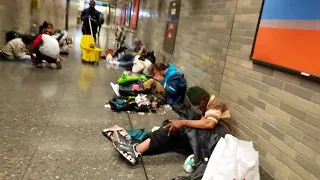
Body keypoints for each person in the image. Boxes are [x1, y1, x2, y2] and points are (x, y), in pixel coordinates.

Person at [113, 86, 232, 165]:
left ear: (204, 99)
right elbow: (202, 123)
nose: (197, 107)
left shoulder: (216, 103)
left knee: (174, 129)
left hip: (216, 140)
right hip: (207, 141)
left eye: (198, 104)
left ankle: (135, 150)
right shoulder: (207, 106)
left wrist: (182, 123)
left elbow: (209, 124)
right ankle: (138, 151)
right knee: (171, 136)